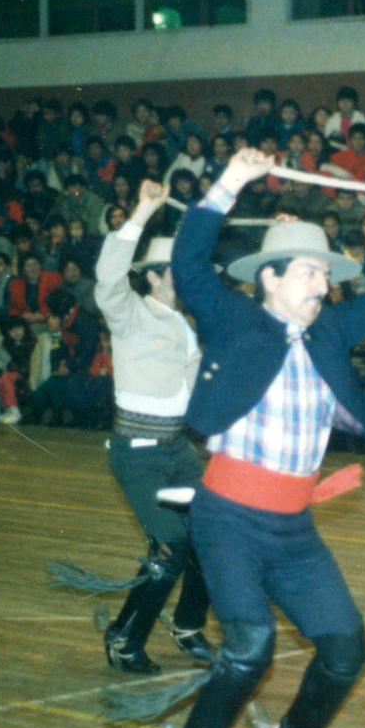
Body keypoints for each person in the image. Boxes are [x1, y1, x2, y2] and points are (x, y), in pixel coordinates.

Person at [162, 152, 365, 728]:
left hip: (295, 528)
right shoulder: (235, 320)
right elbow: (190, 265)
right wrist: (228, 185)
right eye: (310, 271)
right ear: (270, 278)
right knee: (250, 650)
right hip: (226, 517)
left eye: (326, 273)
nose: (322, 283)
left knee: (346, 649)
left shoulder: (331, 328)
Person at [85, 179, 215, 675]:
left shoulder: (187, 326)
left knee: (207, 533)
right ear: (155, 276)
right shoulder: (130, 314)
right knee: (170, 547)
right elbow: (106, 277)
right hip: (138, 455)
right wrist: (141, 213)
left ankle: (186, 625)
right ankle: (124, 638)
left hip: (177, 451)